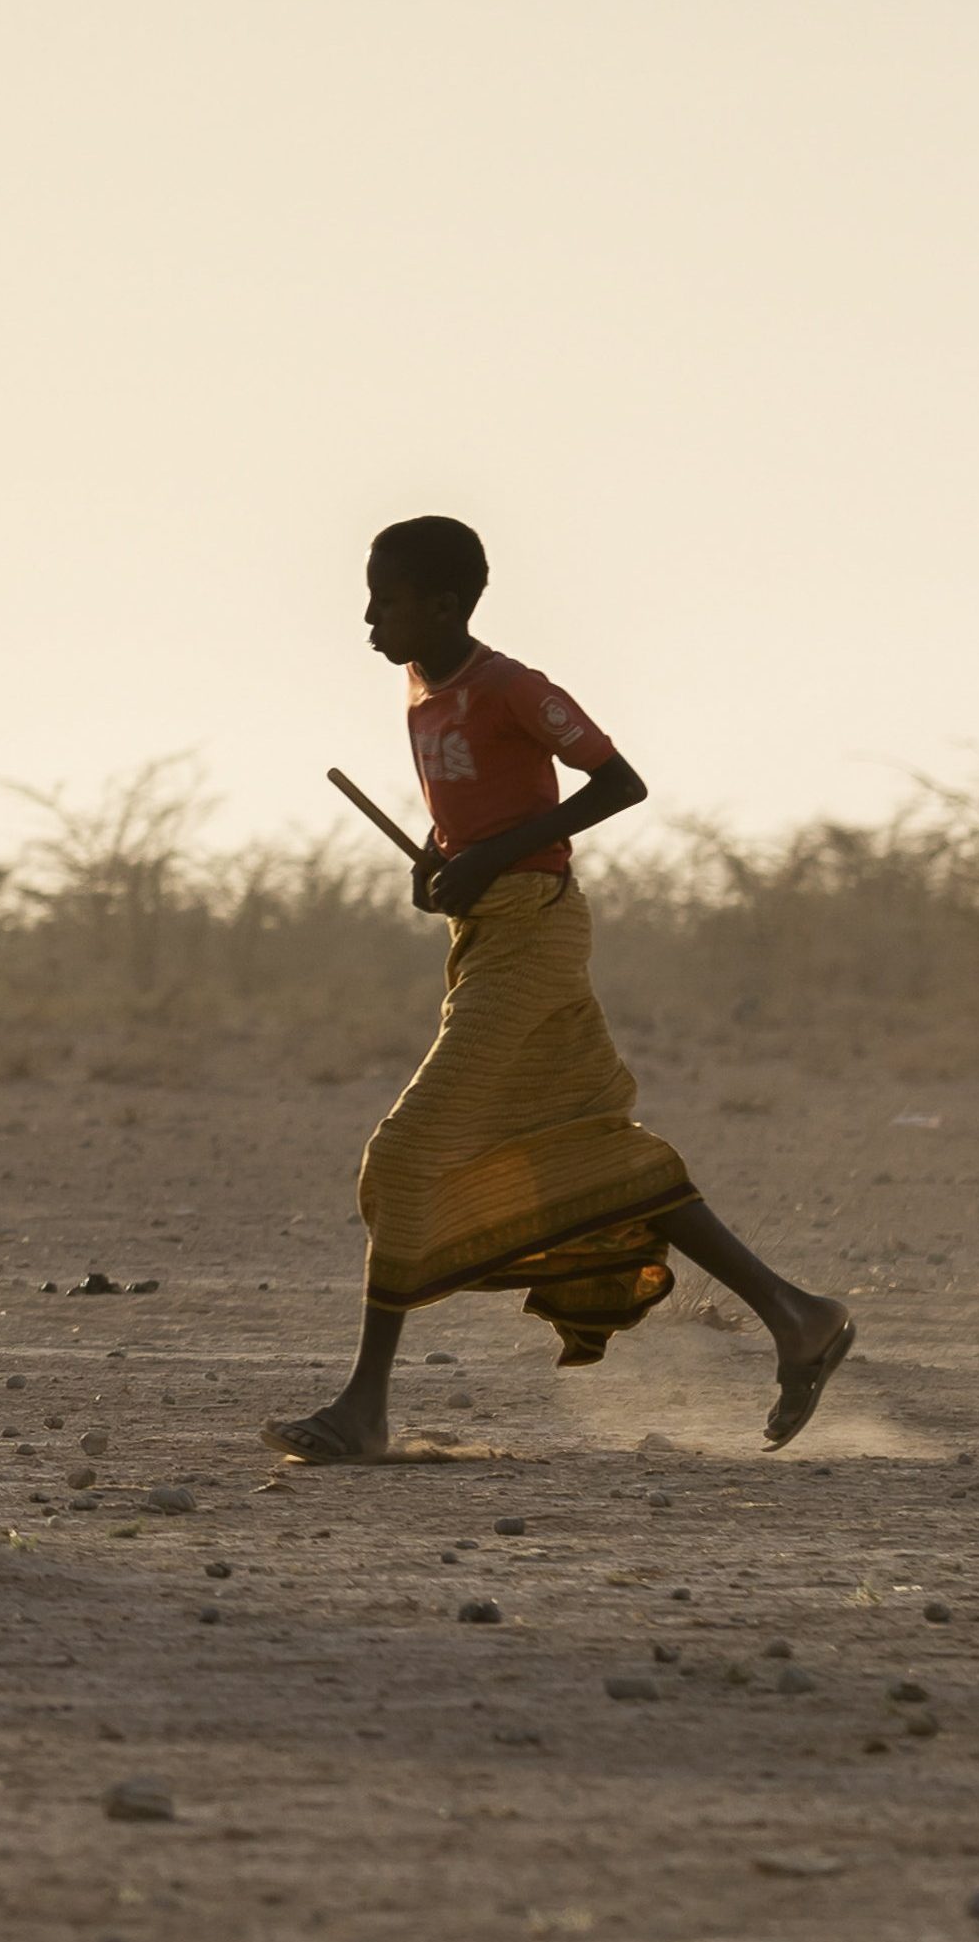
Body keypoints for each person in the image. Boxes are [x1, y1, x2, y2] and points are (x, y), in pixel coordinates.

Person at [270, 516, 850, 1463]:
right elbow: (473, 832)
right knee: (594, 1147)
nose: (368, 616)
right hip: (487, 934)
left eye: (387, 597)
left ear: (444, 605)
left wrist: (494, 854)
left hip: (535, 935)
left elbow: (619, 782)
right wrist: (443, 871)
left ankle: (363, 1408)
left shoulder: (512, 689)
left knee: (406, 1154)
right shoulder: (421, 695)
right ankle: (800, 1317)